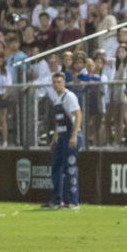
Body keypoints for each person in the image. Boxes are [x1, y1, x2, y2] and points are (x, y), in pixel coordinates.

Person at [44, 72, 82, 210]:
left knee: (69, 168)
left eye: (59, 82)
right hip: (61, 136)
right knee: (56, 168)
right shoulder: (57, 98)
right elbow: (58, 123)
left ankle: (73, 201)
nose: (57, 85)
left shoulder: (69, 97)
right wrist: (54, 139)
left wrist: (74, 135)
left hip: (70, 135)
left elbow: (78, 115)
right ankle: (57, 200)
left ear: (64, 82)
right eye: (54, 82)